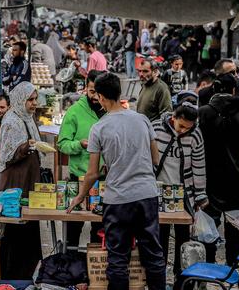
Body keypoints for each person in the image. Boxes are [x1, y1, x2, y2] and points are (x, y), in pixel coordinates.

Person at [68, 72, 166, 290]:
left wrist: (79, 197)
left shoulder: (99, 128)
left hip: (118, 200)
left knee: (118, 259)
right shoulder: (142, 120)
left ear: (101, 97)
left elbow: (92, 173)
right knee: (154, 255)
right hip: (146, 195)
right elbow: (155, 158)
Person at [199, 73, 239, 264]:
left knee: (208, 222)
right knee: (234, 221)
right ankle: (233, 261)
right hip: (235, 175)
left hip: (210, 175)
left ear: (214, 89)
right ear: (233, 90)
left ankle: (209, 260)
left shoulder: (204, 112)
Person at [152, 104, 207, 287]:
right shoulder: (156, 128)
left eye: (188, 128)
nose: (183, 130)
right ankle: (159, 279)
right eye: (181, 126)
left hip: (185, 194)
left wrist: (200, 195)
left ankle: (182, 279)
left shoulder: (195, 135)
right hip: (159, 192)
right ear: (173, 117)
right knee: (160, 238)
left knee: (184, 238)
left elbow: (199, 166)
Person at [0, 82, 43, 279]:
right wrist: (26, 146)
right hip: (16, 182)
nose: (33, 104)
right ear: (20, 100)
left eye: (34, 99)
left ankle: (25, 275)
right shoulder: (11, 121)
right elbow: (6, 154)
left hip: (28, 180)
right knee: (15, 230)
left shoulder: (28, 118)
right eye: (29, 100)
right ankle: (10, 276)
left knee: (28, 228)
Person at [58, 70, 106, 249]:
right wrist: (79, 144)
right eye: (92, 91)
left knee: (100, 231)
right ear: (86, 88)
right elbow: (62, 144)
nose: (95, 96)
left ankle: (94, 269)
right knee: (73, 231)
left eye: (99, 92)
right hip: (78, 179)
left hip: (104, 181)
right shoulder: (74, 112)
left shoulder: (111, 111)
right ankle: (72, 268)